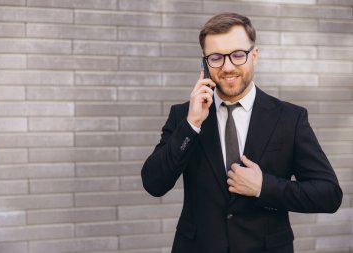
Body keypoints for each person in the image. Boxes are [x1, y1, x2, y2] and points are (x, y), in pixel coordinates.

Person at [141, 12, 342, 253]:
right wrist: (192, 124)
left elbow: (329, 194)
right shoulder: (184, 116)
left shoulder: (290, 118)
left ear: (254, 56)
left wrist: (263, 187)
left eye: (238, 55)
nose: (227, 67)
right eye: (216, 57)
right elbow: (154, 183)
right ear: (204, 62)